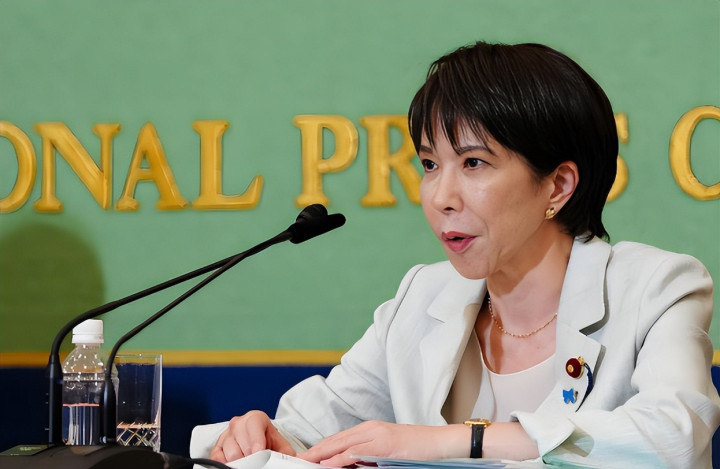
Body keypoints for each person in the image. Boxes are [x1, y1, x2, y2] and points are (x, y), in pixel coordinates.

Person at [190, 41, 720, 467]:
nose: (441, 196)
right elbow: (317, 430)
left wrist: (452, 442)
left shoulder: (656, 288)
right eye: (429, 164)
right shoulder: (424, 296)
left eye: (473, 163)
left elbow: (669, 438)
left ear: (558, 185)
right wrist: (267, 435)